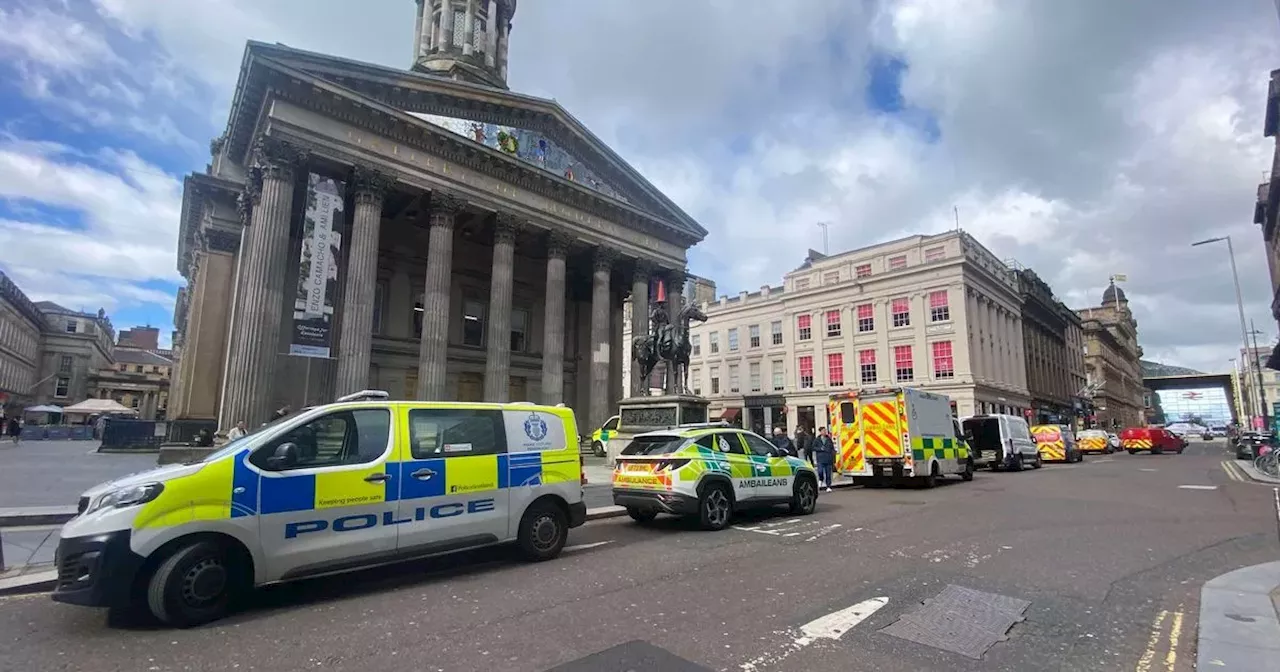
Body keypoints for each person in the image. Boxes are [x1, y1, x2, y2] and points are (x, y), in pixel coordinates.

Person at [813, 426, 836, 492]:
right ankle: (821, 479)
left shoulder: (829, 439)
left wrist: (833, 457)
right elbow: (813, 447)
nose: (825, 432)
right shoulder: (817, 439)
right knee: (820, 471)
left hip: (828, 458)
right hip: (820, 458)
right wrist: (820, 449)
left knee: (828, 473)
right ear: (820, 432)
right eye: (823, 431)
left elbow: (832, 448)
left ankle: (828, 486)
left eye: (825, 430)